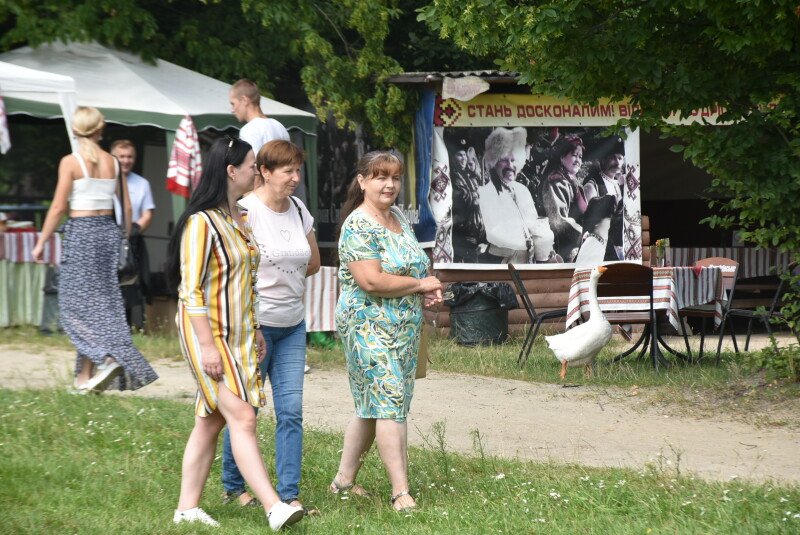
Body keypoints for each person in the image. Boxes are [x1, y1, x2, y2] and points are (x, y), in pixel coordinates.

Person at [166, 136, 303, 530]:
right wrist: (207, 347)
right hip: (206, 335)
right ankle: (274, 507)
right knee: (243, 416)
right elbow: (190, 291)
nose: (256, 171)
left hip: (239, 334)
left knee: (211, 421)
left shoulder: (238, 216)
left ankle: (186, 509)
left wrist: (255, 327)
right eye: (251, 165)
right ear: (231, 170)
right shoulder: (201, 222)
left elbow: (246, 282)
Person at [331, 151, 443, 512]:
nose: (390, 185)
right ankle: (400, 492)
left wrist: (426, 287)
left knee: (373, 404)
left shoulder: (397, 217)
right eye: (380, 177)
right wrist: (420, 285)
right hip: (367, 326)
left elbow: (412, 266)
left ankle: (342, 482)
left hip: (403, 327)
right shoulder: (358, 225)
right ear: (362, 181)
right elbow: (372, 281)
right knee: (390, 402)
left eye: (395, 177)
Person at [220, 140, 321, 512]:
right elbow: (233, 268)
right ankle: (233, 487)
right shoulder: (245, 211)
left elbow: (313, 261)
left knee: (291, 411)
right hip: (255, 327)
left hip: (293, 325)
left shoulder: (298, 209)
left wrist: (282, 276)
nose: (295, 178)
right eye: (287, 171)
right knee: (247, 411)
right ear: (264, 171)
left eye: (298, 171)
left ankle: (289, 494)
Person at [31, 107, 158, 393]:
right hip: (108, 233)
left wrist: (42, 241)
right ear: (100, 130)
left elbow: (58, 207)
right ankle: (83, 378)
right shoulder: (113, 162)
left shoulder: (71, 162)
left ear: (75, 130)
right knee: (99, 306)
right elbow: (126, 207)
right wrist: (124, 239)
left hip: (82, 234)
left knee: (72, 306)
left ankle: (106, 358)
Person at [478, 127, 556, 264]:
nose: (510, 165)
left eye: (513, 160)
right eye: (504, 160)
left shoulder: (522, 190)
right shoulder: (485, 193)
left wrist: (544, 240)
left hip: (527, 259)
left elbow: (534, 223)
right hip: (502, 261)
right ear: (494, 162)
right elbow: (493, 234)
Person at [110, 139, 155, 330]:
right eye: (121, 156)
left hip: (132, 241)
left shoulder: (142, 184)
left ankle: (129, 326)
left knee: (130, 286)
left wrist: (134, 230)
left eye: (129, 157)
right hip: (108, 238)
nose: (126, 160)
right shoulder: (104, 180)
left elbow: (148, 214)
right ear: (113, 157)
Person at [541, 134, 589, 262]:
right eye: (574, 155)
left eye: (580, 157)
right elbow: (557, 220)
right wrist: (584, 235)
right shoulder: (557, 181)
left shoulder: (572, 181)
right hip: (562, 248)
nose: (578, 160)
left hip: (576, 246)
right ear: (562, 156)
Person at [583, 136, 631, 260]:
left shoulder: (620, 185)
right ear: (602, 159)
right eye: (612, 157)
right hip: (600, 250)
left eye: (620, 158)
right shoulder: (591, 186)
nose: (617, 162)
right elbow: (589, 222)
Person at [229, 78, 290, 157]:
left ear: (244, 100)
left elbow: (252, 163)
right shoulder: (279, 127)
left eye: (233, 104)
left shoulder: (249, 130)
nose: (232, 110)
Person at [450, 143, 486, 263]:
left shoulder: (470, 176)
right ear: (453, 158)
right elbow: (462, 198)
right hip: (462, 231)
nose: (464, 158)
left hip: (475, 232)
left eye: (465, 155)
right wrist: (478, 197)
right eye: (459, 155)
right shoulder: (452, 177)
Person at [574, 195, 618, 268]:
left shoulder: (596, 242)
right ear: (596, 222)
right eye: (609, 219)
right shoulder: (594, 245)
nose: (612, 223)